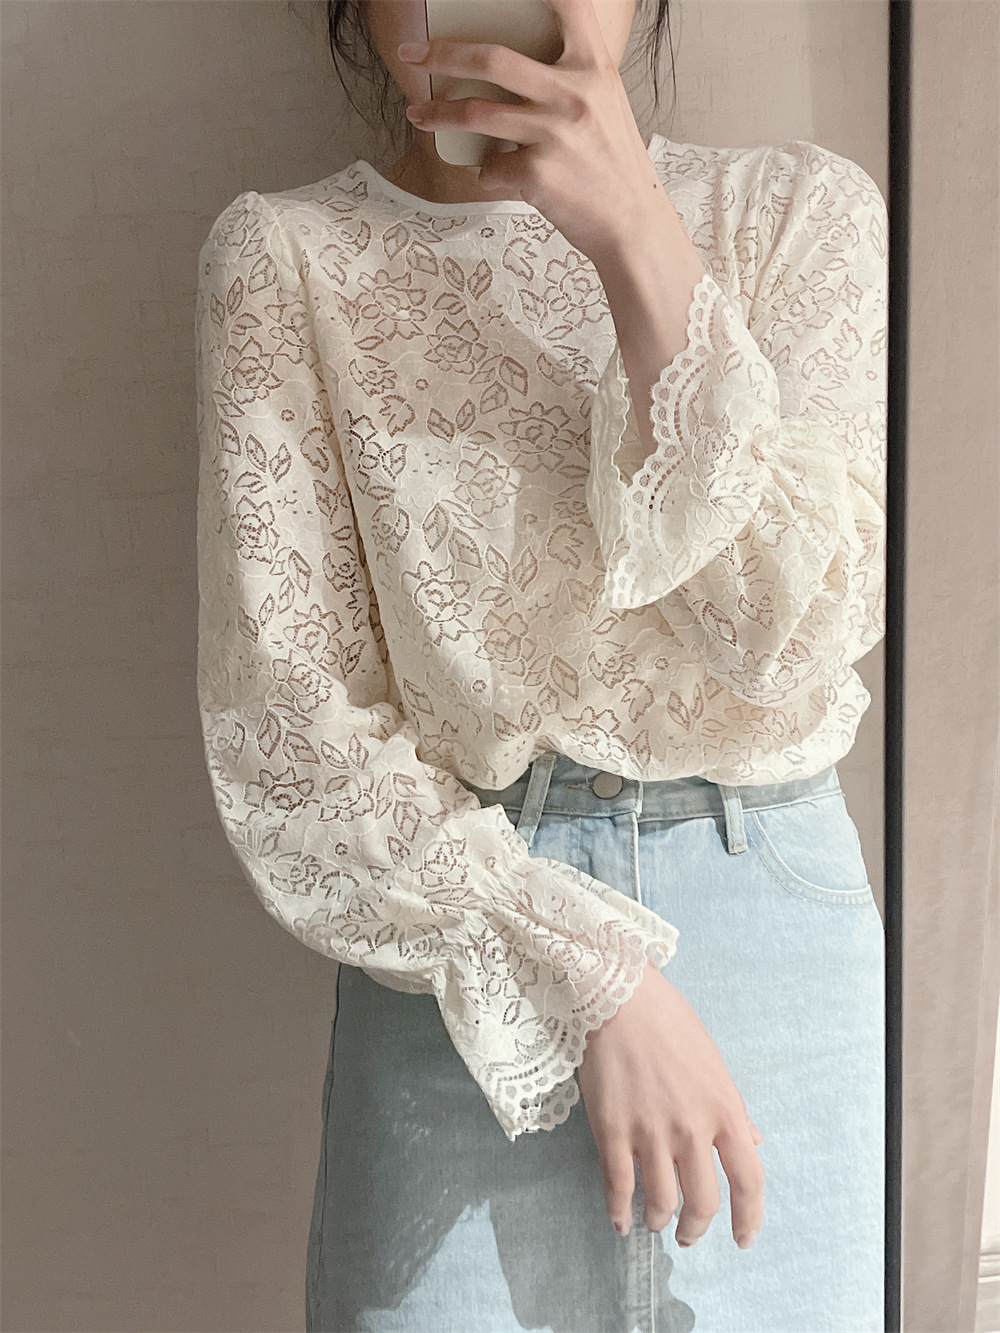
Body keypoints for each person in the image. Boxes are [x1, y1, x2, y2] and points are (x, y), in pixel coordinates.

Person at [194, 0, 887, 1328]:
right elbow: (292, 739)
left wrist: (637, 239)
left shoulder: (798, 217)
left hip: (777, 936)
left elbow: (792, 635)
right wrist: (596, 980)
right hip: (462, 951)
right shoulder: (285, 259)